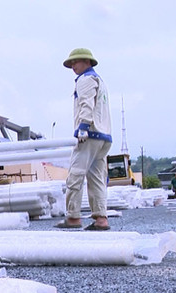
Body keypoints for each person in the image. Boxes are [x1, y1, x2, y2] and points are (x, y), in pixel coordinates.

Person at [55, 48, 113, 231]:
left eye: (76, 62)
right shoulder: (99, 81)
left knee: (76, 175)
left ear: (87, 62)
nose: (73, 66)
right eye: (71, 63)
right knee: (97, 178)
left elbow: (86, 103)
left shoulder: (85, 79)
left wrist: (83, 127)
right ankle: (101, 218)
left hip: (89, 134)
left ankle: (73, 217)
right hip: (103, 136)